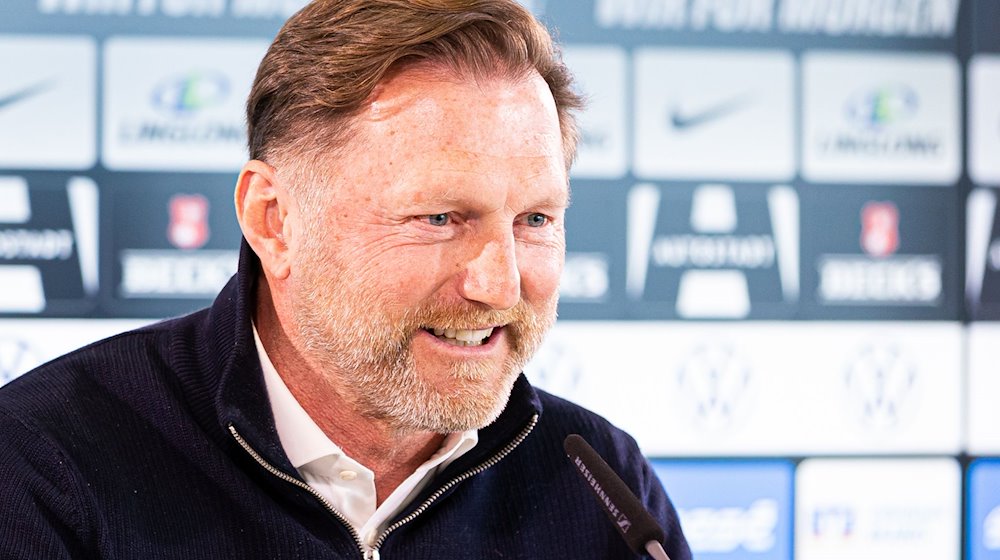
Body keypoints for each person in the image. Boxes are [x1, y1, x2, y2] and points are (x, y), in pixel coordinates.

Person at [0, 1, 691, 558]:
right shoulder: (43, 467)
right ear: (274, 221)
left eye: (535, 218)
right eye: (441, 217)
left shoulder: (601, 487)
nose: (500, 285)